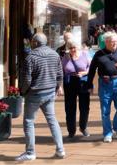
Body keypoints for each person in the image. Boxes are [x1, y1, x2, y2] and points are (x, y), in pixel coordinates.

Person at [16, 33, 65, 161]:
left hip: (34, 94)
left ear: (35, 43)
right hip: (49, 92)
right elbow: (60, 74)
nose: (31, 44)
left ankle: (30, 152)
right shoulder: (55, 54)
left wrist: (23, 92)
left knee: (29, 122)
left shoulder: (30, 57)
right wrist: (57, 86)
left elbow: (26, 79)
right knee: (52, 120)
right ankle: (60, 149)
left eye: (32, 42)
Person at [87, 32, 117, 143]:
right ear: (106, 42)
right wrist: (89, 84)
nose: (115, 43)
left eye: (116, 41)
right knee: (105, 110)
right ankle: (107, 133)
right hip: (105, 83)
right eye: (112, 41)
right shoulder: (98, 54)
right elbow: (91, 70)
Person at [61, 41, 91, 138]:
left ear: (78, 47)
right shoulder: (65, 57)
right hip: (69, 82)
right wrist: (59, 86)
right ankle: (71, 130)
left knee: (84, 107)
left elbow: (91, 67)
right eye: (70, 48)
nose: (72, 50)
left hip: (83, 81)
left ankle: (83, 127)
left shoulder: (85, 54)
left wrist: (85, 73)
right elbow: (61, 71)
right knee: (69, 107)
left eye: (74, 47)